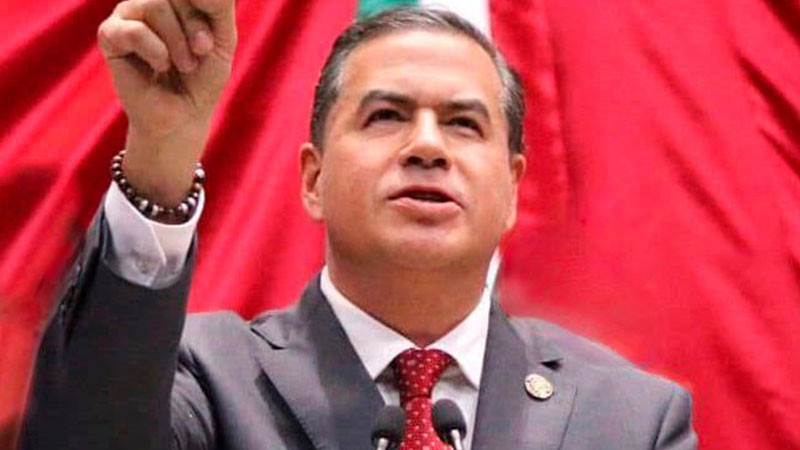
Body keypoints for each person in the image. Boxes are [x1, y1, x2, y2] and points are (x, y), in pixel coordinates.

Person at [21, 2, 697, 449]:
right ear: (313, 180)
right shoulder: (204, 378)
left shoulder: (629, 420)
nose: (427, 146)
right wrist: (162, 152)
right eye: (386, 117)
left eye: (463, 124)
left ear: (513, 191)